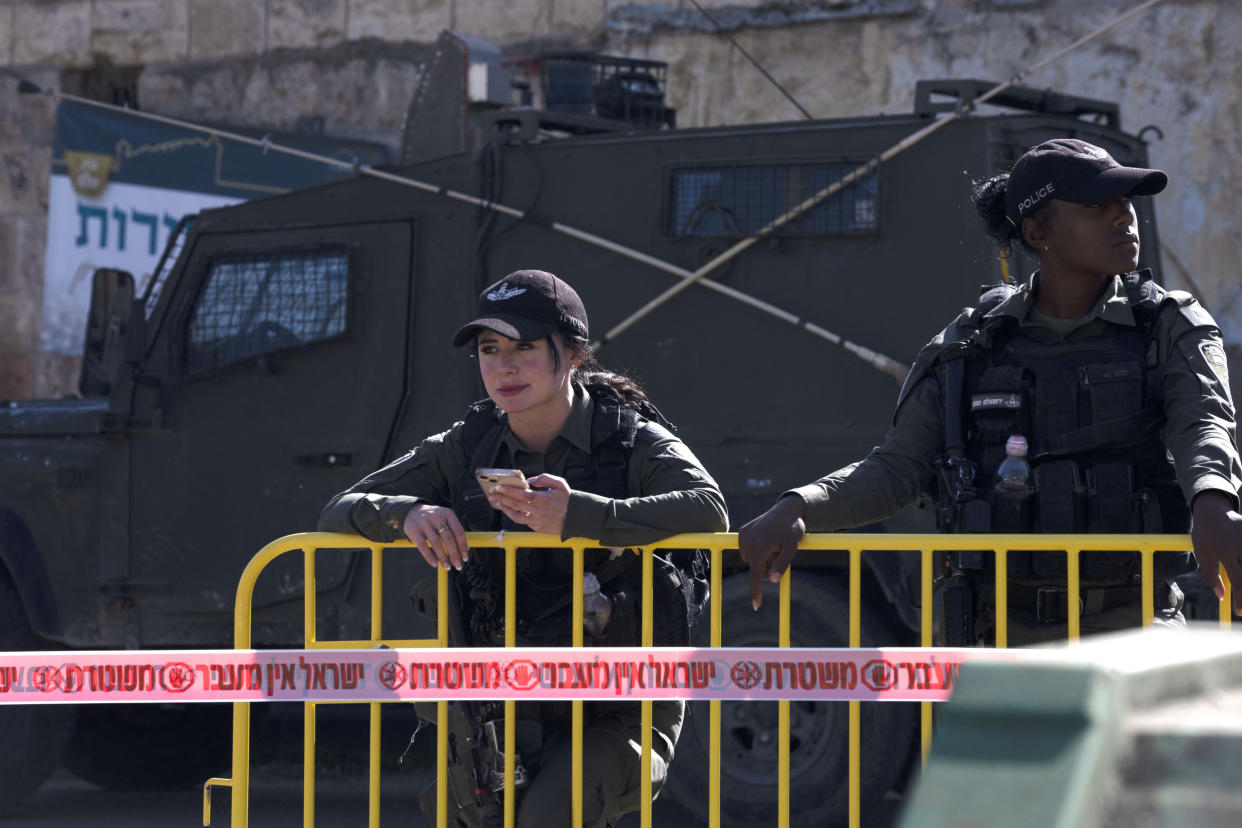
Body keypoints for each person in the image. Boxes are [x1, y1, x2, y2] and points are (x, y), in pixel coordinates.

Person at [739, 138, 1242, 643]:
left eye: (1126, 201)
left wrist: (1213, 499)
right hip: (1000, 632)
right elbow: (897, 468)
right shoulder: (969, 343)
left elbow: (1203, 422)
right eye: (1096, 205)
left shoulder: (1168, 324)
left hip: (1132, 629)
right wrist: (799, 505)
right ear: (1037, 230)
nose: (1123, 217)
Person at [318, 268, 728, 827]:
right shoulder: (468, 444)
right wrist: (408, 512)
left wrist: (586, 515)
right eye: (489, 350)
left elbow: (709, 508)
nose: (504, 367)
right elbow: (340, 508)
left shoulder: (630, 438)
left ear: (574, 354)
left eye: (525, 348)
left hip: (616, 706)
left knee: (546, 815)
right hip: (500, 704)